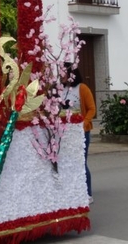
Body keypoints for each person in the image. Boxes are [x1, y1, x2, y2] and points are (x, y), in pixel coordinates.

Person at [61, 63, 96, 204]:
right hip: (65, 133)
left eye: (63, 72)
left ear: (71, 73)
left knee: (81, 162)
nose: (61, 75)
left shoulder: (82, 88)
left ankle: (88, 193)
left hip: (81, 132)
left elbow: (91, 109)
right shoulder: (60, 90)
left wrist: (84, 123)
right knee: (67, 163)